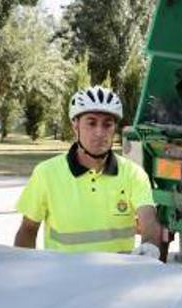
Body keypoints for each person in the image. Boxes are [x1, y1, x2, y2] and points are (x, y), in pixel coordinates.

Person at [15, 86, 164, 257]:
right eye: (91, 123)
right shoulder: (46, 173)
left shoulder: (133, 174)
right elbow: (28, 229)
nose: (99, 132)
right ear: (75, 125)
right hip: (63, 278)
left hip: (118, 278)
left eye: (107, 124)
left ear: (114, 128)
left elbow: (149, 220)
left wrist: (150, 245)